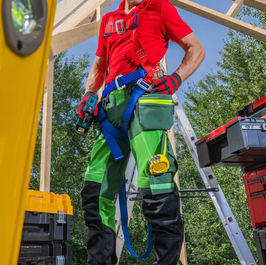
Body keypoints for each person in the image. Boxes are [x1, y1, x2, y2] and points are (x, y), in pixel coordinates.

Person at [77, 0, 205, 263]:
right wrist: (90, 94)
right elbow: (99, 66)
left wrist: (176, 78)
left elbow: (197, 50)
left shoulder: (160, 8)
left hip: (145, 101)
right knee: (95, 192)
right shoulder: (109, 19)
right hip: (111, 107)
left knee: (157, 186)